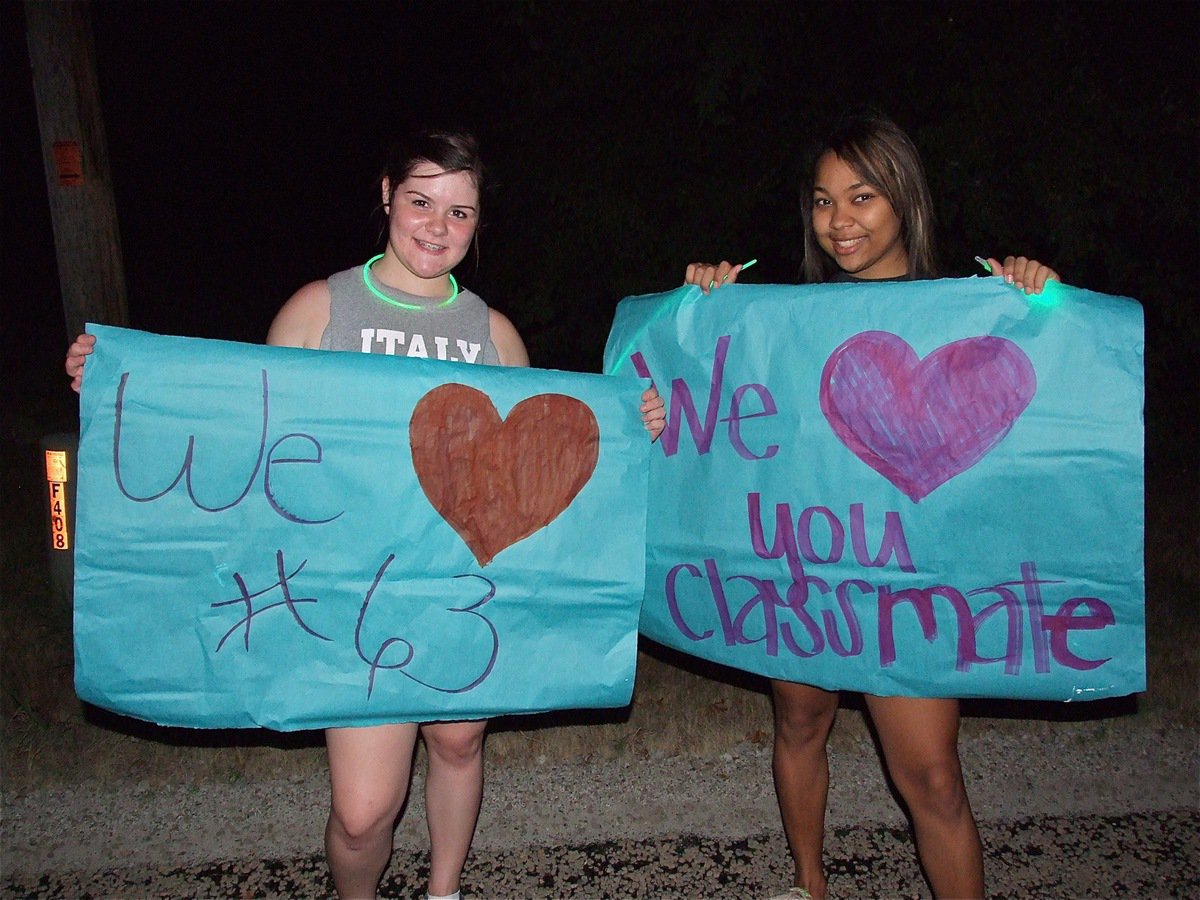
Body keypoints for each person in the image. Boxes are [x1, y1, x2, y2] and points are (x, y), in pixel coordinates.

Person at [66, 128, 666, 900]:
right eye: (421, 202)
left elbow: (533, 470)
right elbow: (250, 438)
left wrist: (628, 424)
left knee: (457, 746)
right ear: (386, 195)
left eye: (461, 212)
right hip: (353, 599)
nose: (437, 228)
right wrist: (123, 385)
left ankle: (444, 891)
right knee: (361, 811)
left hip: (461, 594)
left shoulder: (494, 334)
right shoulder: (320, 309)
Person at [684, 113, 1058, 900]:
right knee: (799, 725)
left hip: (909, 584)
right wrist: (705, 309)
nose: (839, 220)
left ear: (905, 201)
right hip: (806, 568)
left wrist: (1044, 303)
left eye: (861, 196)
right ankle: (809, 885)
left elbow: (1052, 388)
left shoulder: (966, 311)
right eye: (822, 201)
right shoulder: (784, 327)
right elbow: (721, 413)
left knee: (933, 780)